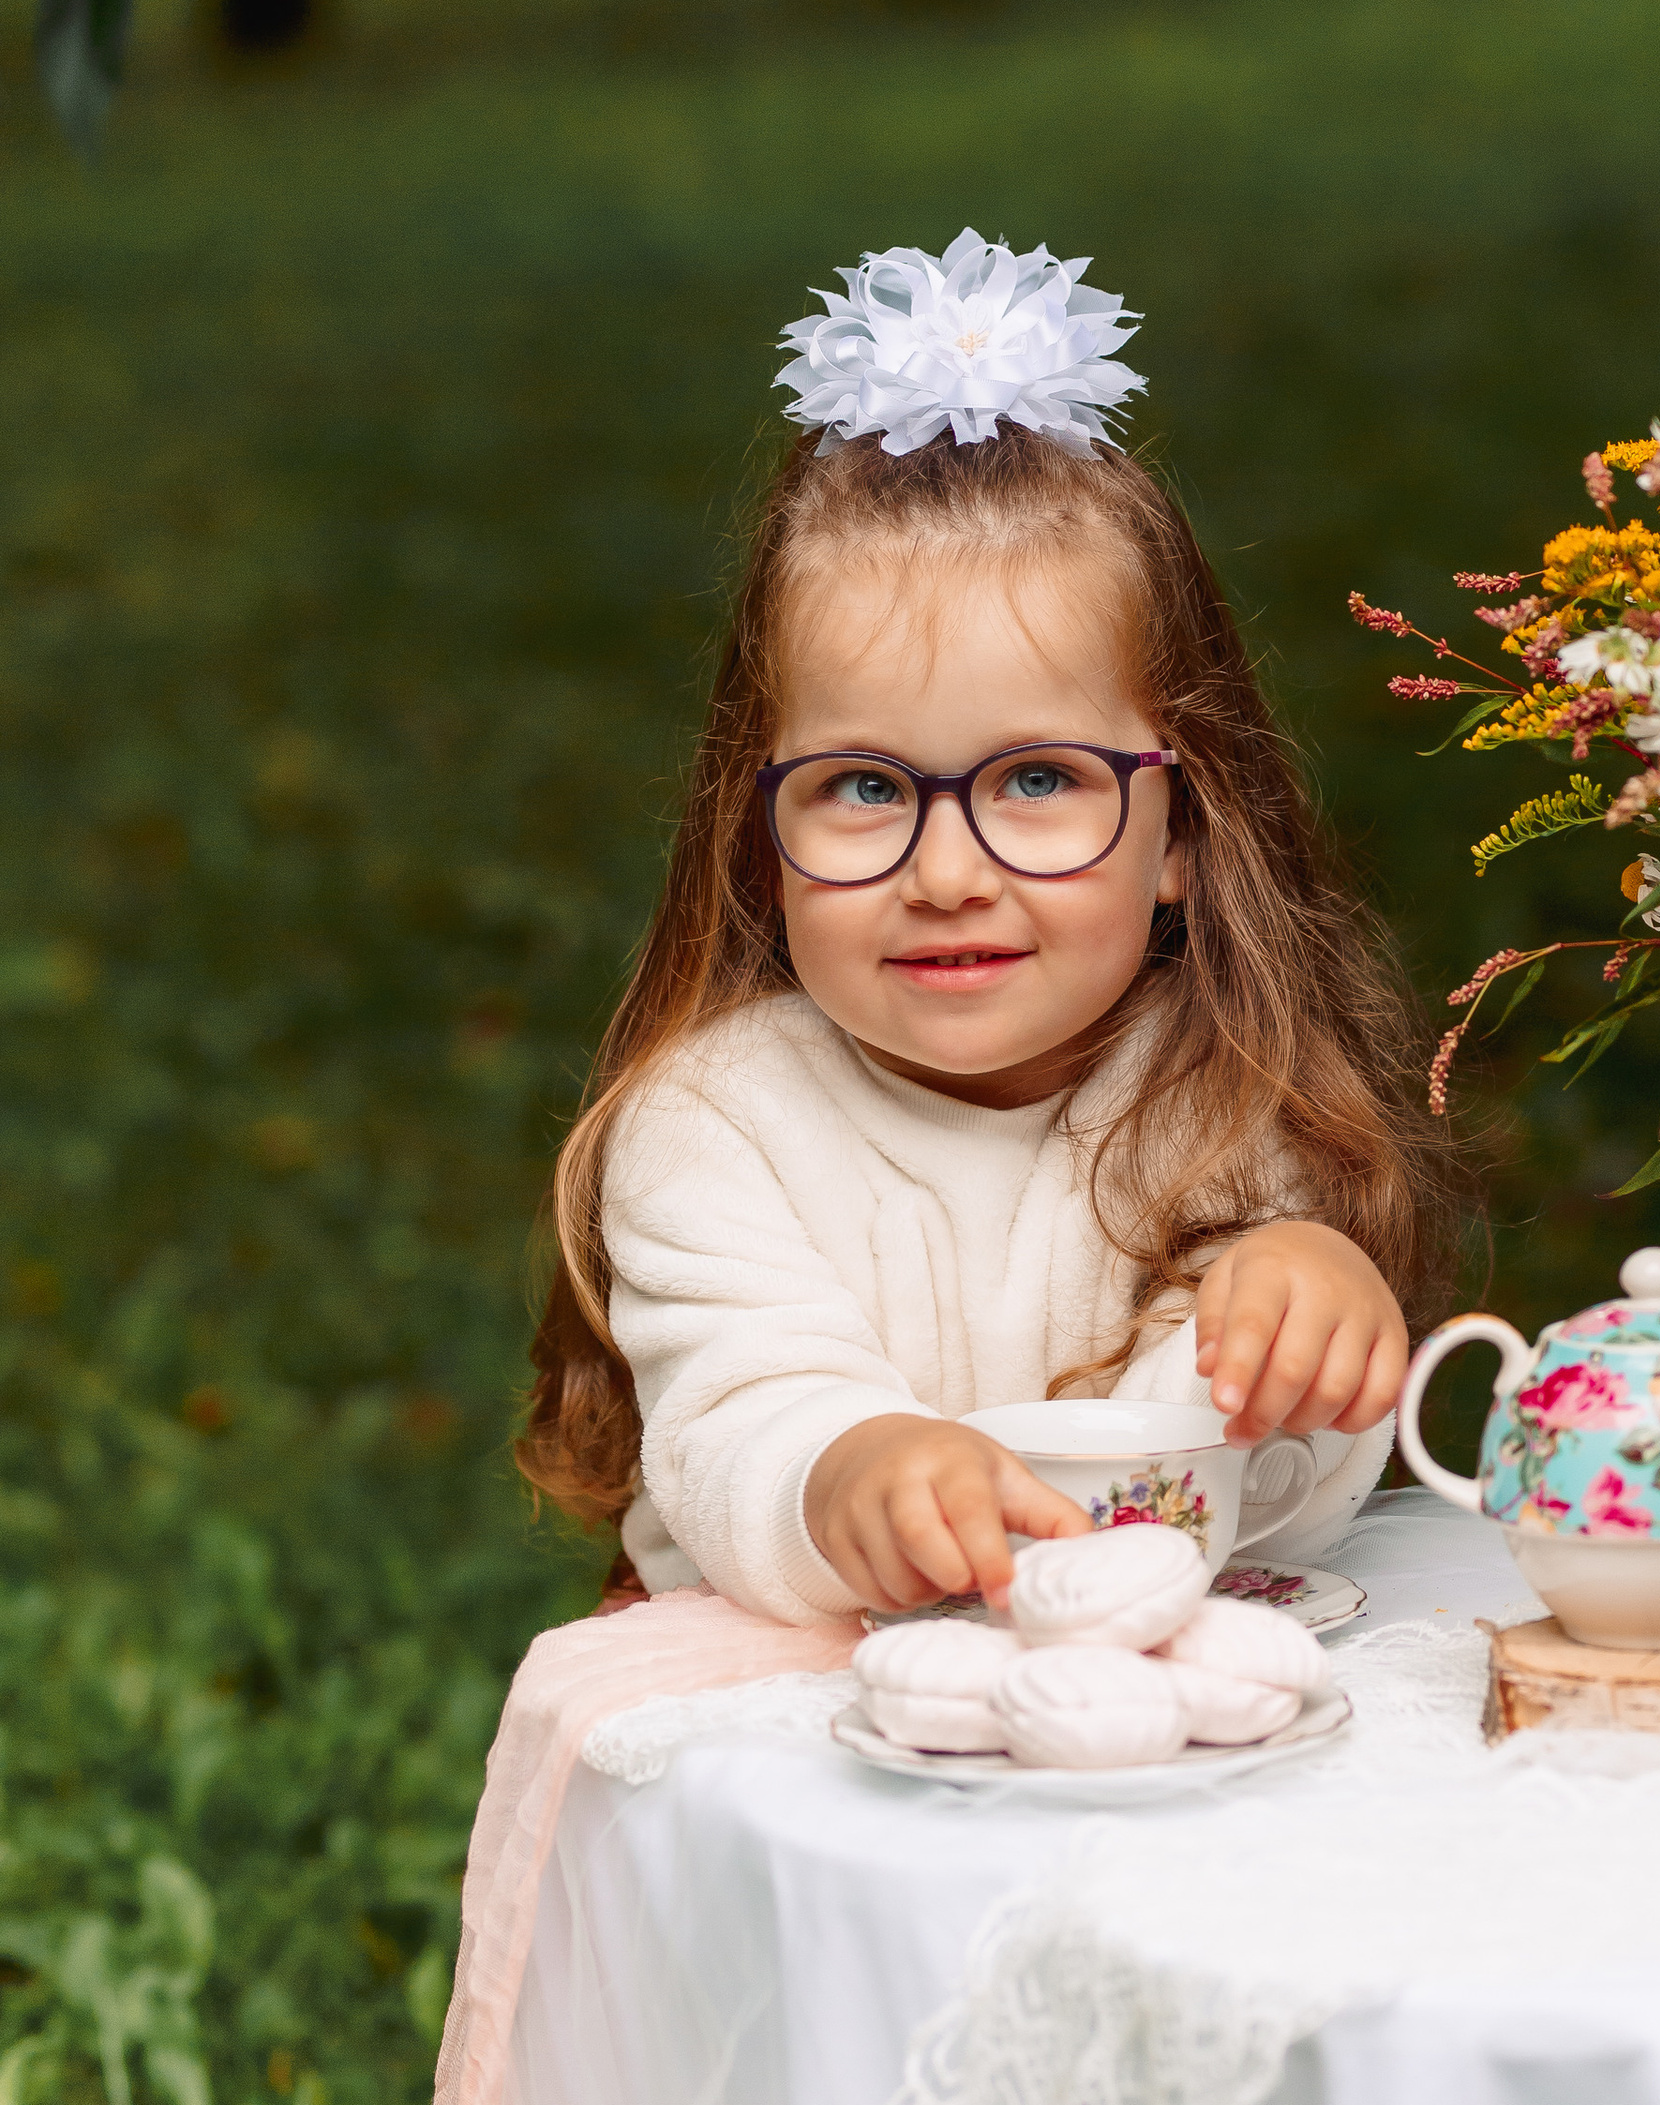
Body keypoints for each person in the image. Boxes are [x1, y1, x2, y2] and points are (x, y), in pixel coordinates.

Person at [518, 229, 1465, 1621]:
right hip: (790, 1724)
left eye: (1036, 780)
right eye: (863, 787)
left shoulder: (1226, 1093)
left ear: (1183, 833)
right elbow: (738, 1417)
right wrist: (848, 1471)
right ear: (758, 831)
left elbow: (1257, 1512)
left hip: (1125, 1711)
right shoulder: (714, 1123)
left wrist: (1292, 1330)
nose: (948, 872)